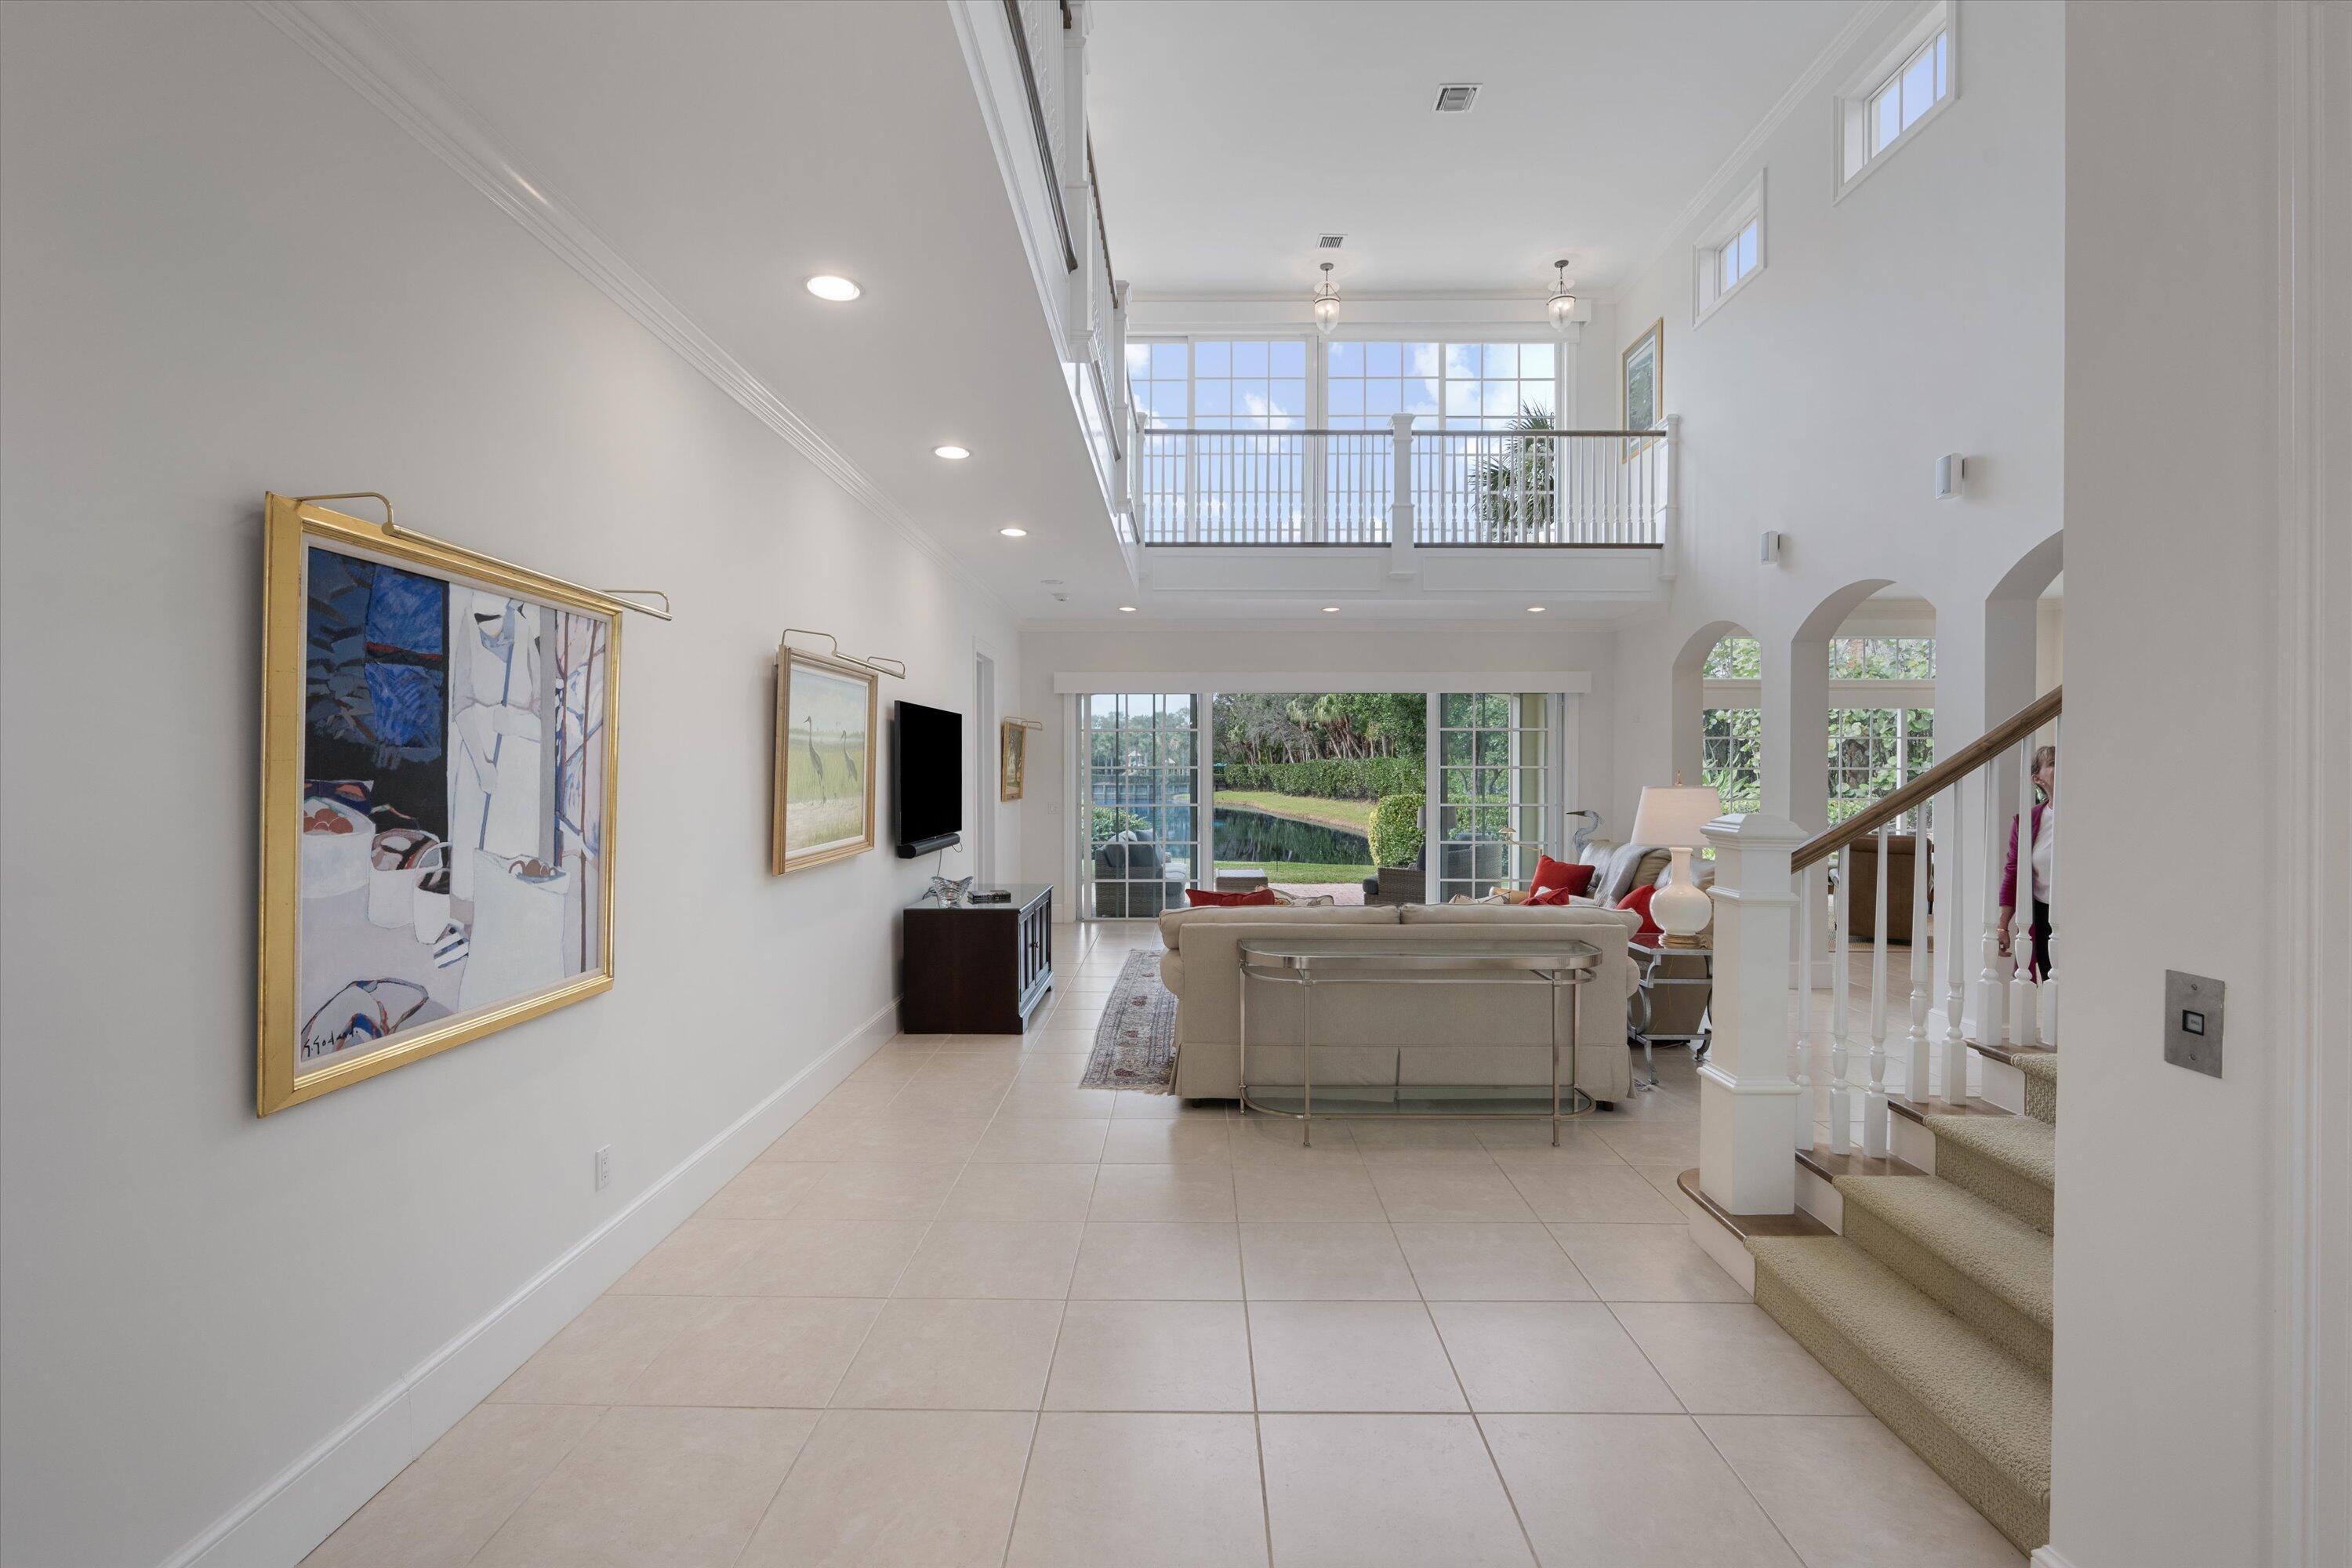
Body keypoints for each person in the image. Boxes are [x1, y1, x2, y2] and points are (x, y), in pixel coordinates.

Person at [1997, 745, 2056, 978]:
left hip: (2082, 915)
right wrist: (2002, 926)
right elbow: (2013, 873)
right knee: (2053, 986)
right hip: (2043, 917)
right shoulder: (2027, 821)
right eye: (2053, 764)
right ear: (2038, 779)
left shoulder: (2088, 813)